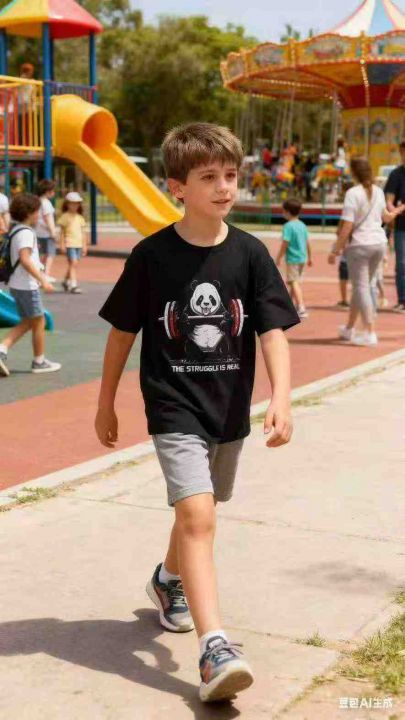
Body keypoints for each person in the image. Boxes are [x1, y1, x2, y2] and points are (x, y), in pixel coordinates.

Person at [95, 122, 300, 703]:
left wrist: (282, 396)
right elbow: (122, 333)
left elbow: (272, 331)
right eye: (209, 177)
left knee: (201, 509)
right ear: (177, 187)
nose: (224, 187)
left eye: (230, 175)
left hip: (229, 408)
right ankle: (215, 649)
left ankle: (168, 580)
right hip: (173, 404)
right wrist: (105, 402)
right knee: (199, 515)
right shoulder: (152, 256)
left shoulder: (250, 254)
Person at [328, 157, 405, 346]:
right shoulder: (378, 191)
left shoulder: (353, 193)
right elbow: (386, 218)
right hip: (379, 243)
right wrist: (398, 210)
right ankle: (349, 328)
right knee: (362, 286)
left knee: (361, 287)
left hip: (360, 246)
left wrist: (336, 249)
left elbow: (347, 225)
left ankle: (370, 331)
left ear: (354, 173)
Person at [0, 193, 61, 377]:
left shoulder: (16, 230)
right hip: (26, 285)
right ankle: (39, 361)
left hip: (18, 284)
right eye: (37, 212)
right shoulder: (26, 233)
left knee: (29, 321)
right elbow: (25, 259)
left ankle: (3, 349)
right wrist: (43, 279)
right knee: (39, 320)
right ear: (29, 213)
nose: (39, 216)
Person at [276, 198, 313, 318]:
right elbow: (308, 242)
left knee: (293, 282)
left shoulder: (288, 226)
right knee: (294, 281)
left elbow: (285, 243)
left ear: (287, 212)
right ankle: (289, 305)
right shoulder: (302, 225)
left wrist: (279, 257)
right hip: (302, 258)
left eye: (283, 211)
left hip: (293, 258)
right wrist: (310, 257)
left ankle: (301, 307)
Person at [385, 140, 405, 313]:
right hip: (401, 227)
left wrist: (398, 209)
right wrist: (393, 210)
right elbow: (389, 199)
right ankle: (402, 300)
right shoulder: (396, 174)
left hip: (399, 216)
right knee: (401, 263)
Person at [58, 191, 87, 294]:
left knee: (73, 265)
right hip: (69, 243)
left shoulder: (80, 218)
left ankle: (66, 281)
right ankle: (73, 285)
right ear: (67, 204)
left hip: (78, 244)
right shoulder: (65, 217)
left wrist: (84, 246)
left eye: (77, 203)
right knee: (73, 263)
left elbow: (83, 233)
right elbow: (62, 233)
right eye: (72, 203)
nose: (75, 206)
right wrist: (62, 244)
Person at [35, 179, 57, 283]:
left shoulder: (37, 202)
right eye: (53, 190)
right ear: (47, 191)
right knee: (50, 254)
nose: (54, 193)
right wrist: (53, 232)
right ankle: (46, 275)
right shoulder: (46, 203)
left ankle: (39, 275)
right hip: (47, 234)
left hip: (38, 232)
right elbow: (48, 219)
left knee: (41, 255)